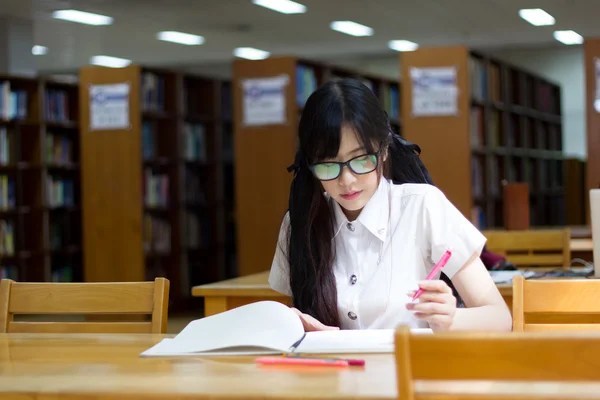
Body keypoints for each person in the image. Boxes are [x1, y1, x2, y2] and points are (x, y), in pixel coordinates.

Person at [268, 78, 512, 332]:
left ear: (384, 150)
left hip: (410, 369)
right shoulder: (299, 223)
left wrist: (451, 317)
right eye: (328, 165)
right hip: (334, 370)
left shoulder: (423, 206)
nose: (347, 180)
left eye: (361, 160)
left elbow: (500, 318)